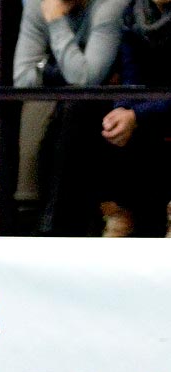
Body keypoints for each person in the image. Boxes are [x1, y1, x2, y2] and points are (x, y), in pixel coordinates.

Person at [11, 0, 129, 236]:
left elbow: (86, 79)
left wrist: (56, 23)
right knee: (37, 104)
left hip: (105, 109)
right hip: (61, 106)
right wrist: (62, 72)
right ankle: (28, 209)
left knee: (75, 106)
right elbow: (22, 79)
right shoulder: (39, 5)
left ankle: (55, 224)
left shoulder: (110, 5)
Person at [98, 0, 170, 237]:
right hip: (147, 110)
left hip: (156, 110)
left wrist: (136, 115)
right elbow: (131, 75)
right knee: (101, 123)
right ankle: (119, 218)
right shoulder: (134, 13)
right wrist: (122, 109)